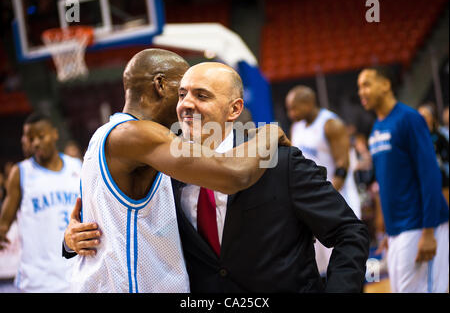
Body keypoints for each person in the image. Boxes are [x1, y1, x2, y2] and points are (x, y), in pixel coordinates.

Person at [66, 62, 370, 293]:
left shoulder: (281, 162)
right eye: (182, 94)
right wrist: (70, 240)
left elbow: (349, 233)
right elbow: (119, 222)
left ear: (234, 109)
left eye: (202, 95)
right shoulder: (160, 174)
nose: (186, 104)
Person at [65, 49, 287, 293]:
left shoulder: (115, 138)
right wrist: (270, 133)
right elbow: (234, 174)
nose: (187, 102)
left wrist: (68, 241)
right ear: (160, 85)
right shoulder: (134, 135)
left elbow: (93, 225)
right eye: (182, 91)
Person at [357, 66, 449, 293]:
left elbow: (430, 174)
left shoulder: (410, 119)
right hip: (397, 231)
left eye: (367, 84)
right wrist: (389, 229)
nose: (361, 92)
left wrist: (429, 231)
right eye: (359, 87)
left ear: (386, 85)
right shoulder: (376, 129)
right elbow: (388, 184)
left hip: (421, 226)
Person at [0, 112, 82, 292]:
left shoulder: (77, 167)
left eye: (40, 136)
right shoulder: (20, 172)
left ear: (54, 134)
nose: (35, 142)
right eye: (30, 138)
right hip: (36, 281)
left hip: (75, 276)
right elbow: (4, 224)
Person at [285, 85, 362, 276]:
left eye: (294, 108)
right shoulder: (297, 127)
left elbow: (342, 168)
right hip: (314, 202)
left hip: (337, 200)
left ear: (309, 103)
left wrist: (323, 199)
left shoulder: (330, 124)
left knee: (344, 265)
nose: (290, 113)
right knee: (321, 269)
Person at [418, 103, 449, 205]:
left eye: (424, 116)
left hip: (441, 174)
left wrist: (442, 158)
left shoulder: (439, 134)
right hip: (426, 178)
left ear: (431, 117)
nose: (422, 119)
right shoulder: (417, 137)